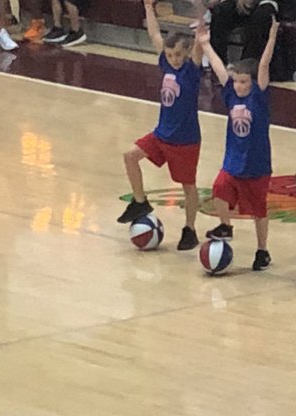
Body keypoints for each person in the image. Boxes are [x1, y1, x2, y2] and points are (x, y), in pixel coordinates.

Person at [117, 3, 205, 252]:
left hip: (185, 140)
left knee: (188, 186)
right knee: (130, 156)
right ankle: (140, 202)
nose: (174, 59)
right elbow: (155, 35)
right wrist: (148, 7)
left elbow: (200, 42)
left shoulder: (192, 70)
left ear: (186, 53)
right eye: (170, 55)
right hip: (161, 134)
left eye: (178, 55)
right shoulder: (165, 64)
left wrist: (200, 16)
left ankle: (190, 229)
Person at [198, 18, 279, 271]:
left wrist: (272, 36)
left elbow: (264, 63)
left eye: (244, 82)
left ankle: (262, 250)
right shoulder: (231, 94)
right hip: (233, 160)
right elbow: (219, 67)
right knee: (219, 187)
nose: (239, 85)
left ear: (253, 82)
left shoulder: (259, 96)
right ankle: (225, 225)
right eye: (237, 82)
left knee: (259, 211)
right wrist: (205, 44)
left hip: (256, 164)